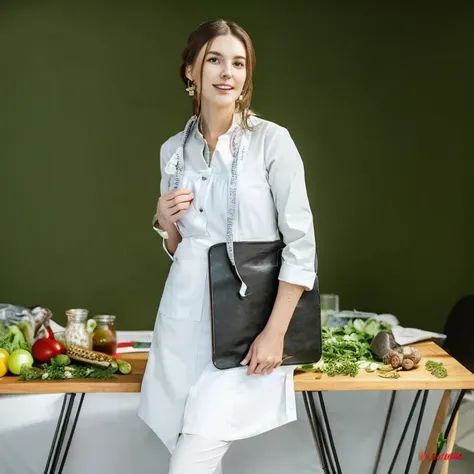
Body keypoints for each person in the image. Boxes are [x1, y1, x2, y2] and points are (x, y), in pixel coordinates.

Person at [138, 19, 317, 474]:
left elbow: (301, 246)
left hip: (247, 326)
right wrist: (164, 220)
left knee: (189, 464)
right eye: (214, 59)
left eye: (238, 63)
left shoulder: (272, 143)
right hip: (182, 326)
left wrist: (274, 333)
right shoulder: (172, 151)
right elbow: (185, 250)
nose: (227, 72)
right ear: (190, 72)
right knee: (193, 450)